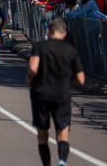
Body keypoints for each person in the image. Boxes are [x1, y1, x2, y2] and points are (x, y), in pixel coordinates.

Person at [27, 17, 85, 166]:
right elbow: (81, 79)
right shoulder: (71, 50)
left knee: (42, 133)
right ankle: (61, 161)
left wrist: (30, 79)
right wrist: (68, 80)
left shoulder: (40, 46)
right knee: (62, 131)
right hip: (62, 94)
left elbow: (33, 68)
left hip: (41, 93)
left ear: (48, 31)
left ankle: (46, 164)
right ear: (64, 33)